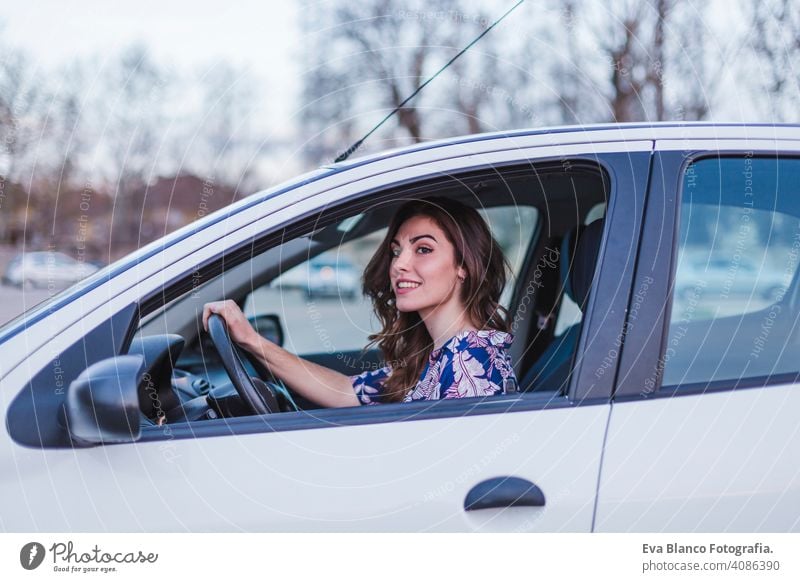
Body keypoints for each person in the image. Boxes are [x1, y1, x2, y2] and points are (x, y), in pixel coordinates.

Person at [202, 197, 517, 408]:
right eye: (396, 251)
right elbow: (346, 391)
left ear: (464, 266)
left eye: (423, 249)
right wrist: (251, 340)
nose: (399, 265)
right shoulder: (434, 355)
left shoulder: (471, 362)